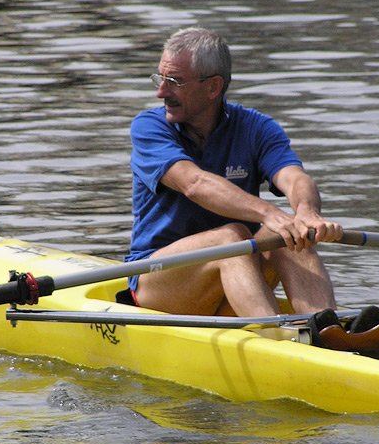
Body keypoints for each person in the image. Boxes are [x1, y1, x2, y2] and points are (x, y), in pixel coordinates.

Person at [120, 27, 343, 324]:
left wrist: (307, 213)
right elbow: (194, 184)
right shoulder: (150, 127)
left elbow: (294, 177)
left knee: (289, 230)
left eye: (174, 82)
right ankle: (277, 338)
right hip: (159, 283)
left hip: (234, 280)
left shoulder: (257, 127)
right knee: (233, 237)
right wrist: (267, 212)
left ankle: (324, 328)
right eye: (160, 78)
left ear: (213, 87)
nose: (161, 91)